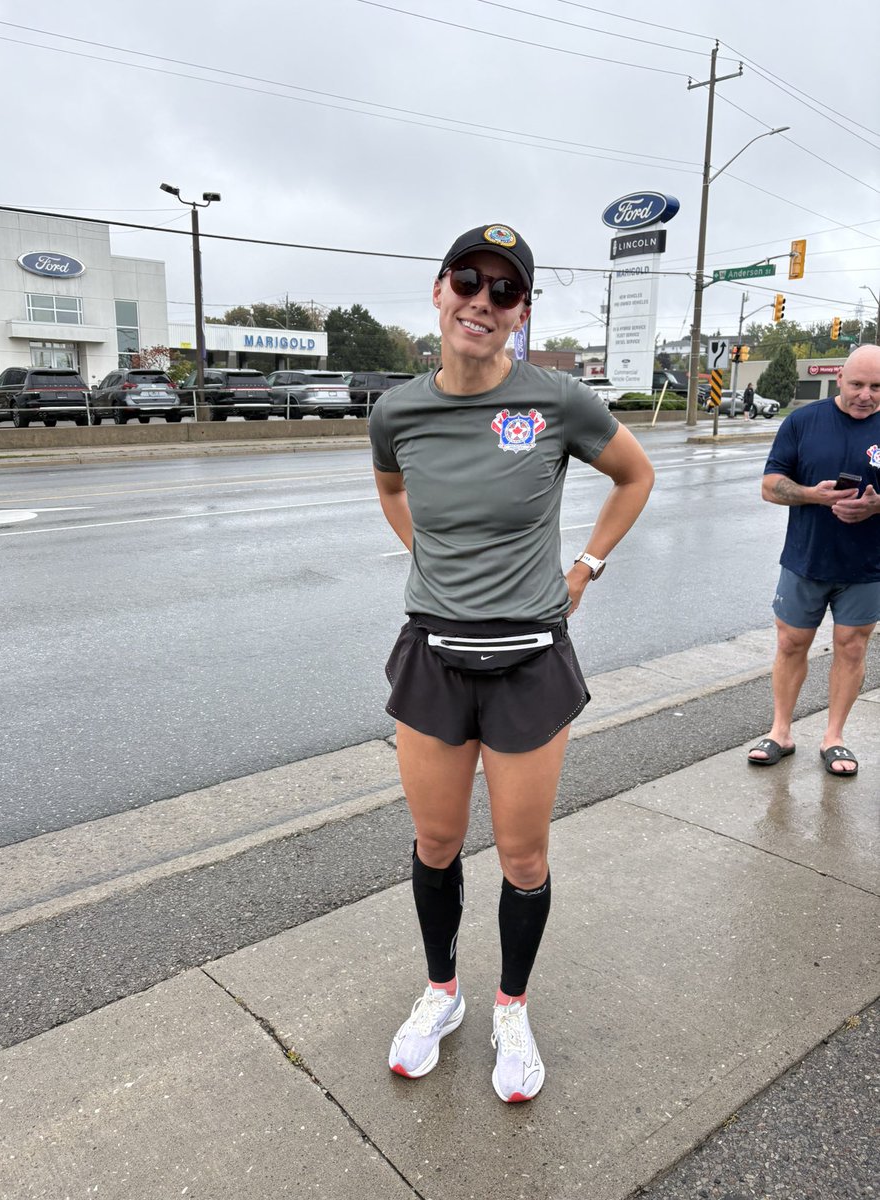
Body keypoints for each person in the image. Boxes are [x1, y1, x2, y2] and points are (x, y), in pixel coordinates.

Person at [370, 223, 654, 1102]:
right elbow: (390, 488)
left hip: (530, 660)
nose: (481, 301)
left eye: (504, 291)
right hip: (435, 659)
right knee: (437, 842)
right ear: (439, 288)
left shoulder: (556, 401)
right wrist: (429, 562)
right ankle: (442, 994)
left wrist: (585, 570)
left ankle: (512, 1009)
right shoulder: (397, 411)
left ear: (521, 312)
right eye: (468, 280)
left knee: (523, 858)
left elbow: (634, 476)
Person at [747, 344, 880, 776]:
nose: (866, 395)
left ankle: (834, 737)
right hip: (805, 560)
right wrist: (811, 495)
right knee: (790, 643)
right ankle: (781, 731)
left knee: (852, 647)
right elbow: (770, 486)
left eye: (877, 387)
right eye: (858, 384)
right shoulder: (803, 421)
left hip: (867, 567)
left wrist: (875, 507)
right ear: (839, 378)